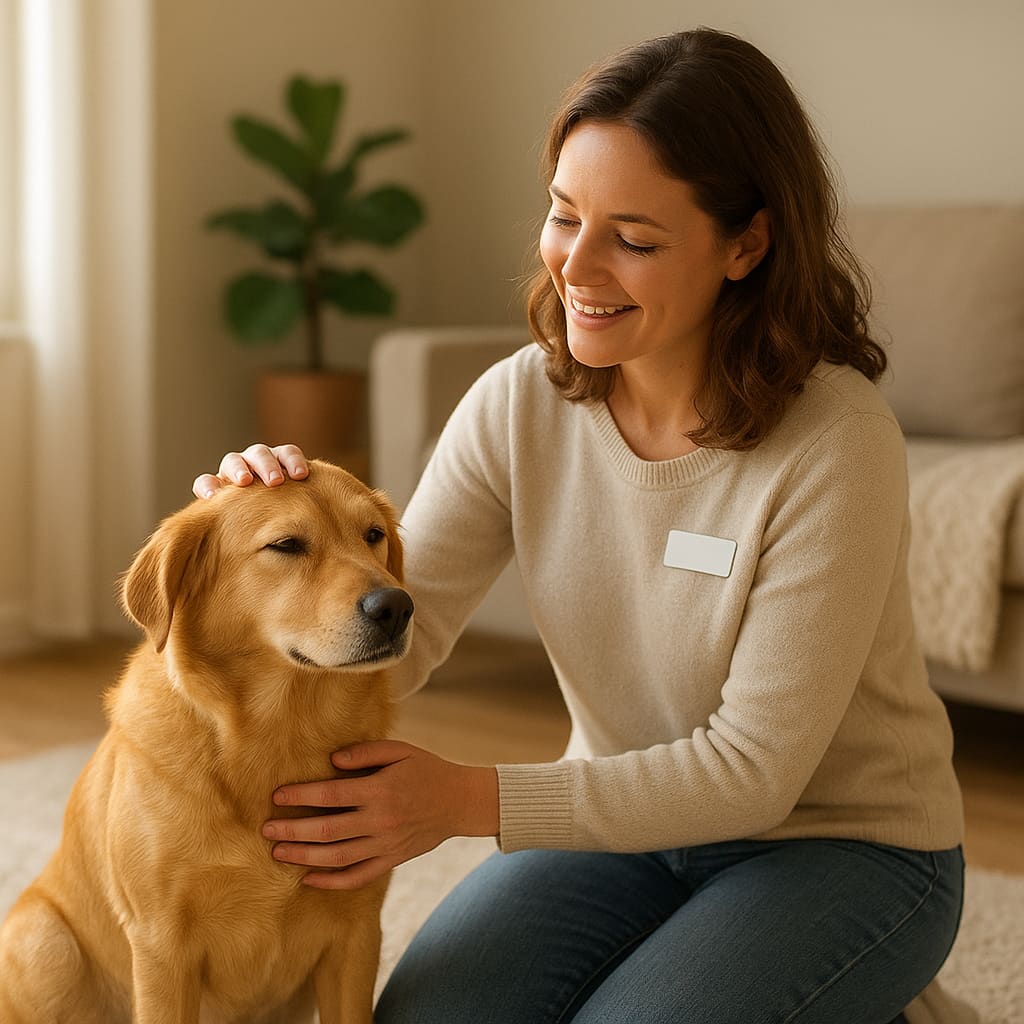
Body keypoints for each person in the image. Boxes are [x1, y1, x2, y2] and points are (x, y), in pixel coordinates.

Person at [195, 28, 964, 1024]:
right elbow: (398, 634)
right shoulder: (520, 402)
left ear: (746, 243)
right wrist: (254, 548)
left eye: (634, 238)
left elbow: (752, 773)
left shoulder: (837, 441)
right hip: (624, 828)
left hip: (847, 844)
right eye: (565, 216)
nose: (578, 267)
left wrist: (465, 800)